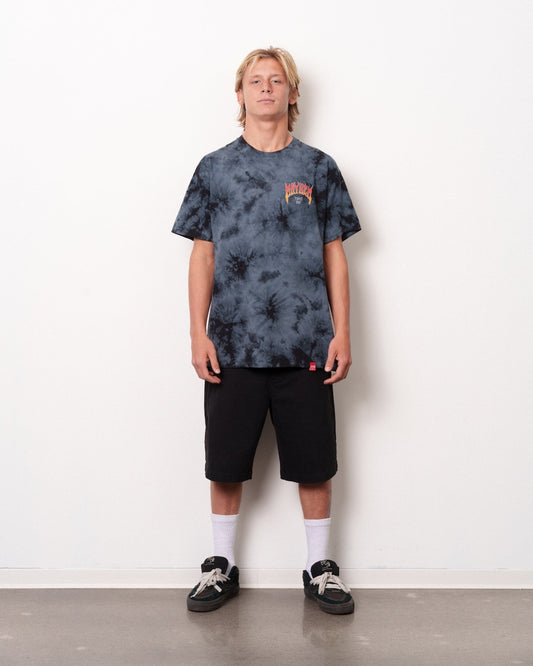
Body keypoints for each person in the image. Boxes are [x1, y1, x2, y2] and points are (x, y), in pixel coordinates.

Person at [172, 47, 361, 615]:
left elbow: (335, 255)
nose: (266, 88)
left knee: (315, 464)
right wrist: (197, 333)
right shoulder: (214, 168)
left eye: (276, 80)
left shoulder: (319, 167)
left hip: (307, 342)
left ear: (292, 93)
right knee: (225, 463)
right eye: (255, 80)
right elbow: (202, 255)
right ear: (240, 94)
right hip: (232, 343)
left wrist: (343, 331)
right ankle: (220, 564)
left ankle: (319, 567)